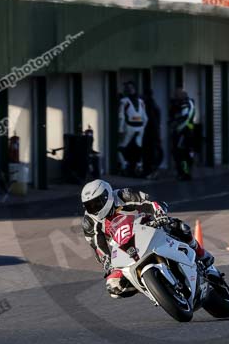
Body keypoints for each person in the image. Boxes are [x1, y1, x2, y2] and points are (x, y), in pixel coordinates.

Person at [81, 179, 214, 298]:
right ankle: (150, 286)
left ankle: (201, 254)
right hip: (123, 247)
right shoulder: (89, 221)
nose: (95, 208)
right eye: (90, 206)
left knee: (179, 227)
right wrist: (107, 262)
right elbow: (97, 246)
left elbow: (148, 200)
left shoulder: (123, 195)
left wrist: (159, 213)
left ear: (107, 196)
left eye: (97, 203)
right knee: (113, 287)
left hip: (147, 226)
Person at [117, 81, 147, 178]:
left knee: (121, 147)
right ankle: (138, 166)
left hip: (130, 126)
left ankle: (124, 166)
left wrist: (121, 129)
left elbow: (121, 116)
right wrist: (143, 127)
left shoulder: (124, 101)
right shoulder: (141, 101)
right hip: (140, 126)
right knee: (138, 147)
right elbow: (145, 117)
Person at [169, 87, 196, 181]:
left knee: (180, 154)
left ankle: (184, 173)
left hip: (183, 132)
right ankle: (185, 172)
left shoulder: (185, 104)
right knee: (186, 154)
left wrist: (174, 124)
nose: (176, 96)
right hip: (189, 132)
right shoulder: (190, 102)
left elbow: (183, 118)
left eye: (177, 94)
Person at [142, 89, 163, 180]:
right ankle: (153, 171)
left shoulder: (149, 106)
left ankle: (151, 171)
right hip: (154, 133)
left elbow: (152, 121)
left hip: (150, 133)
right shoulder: (154, 105)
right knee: (153, 153)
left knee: (150, 153)